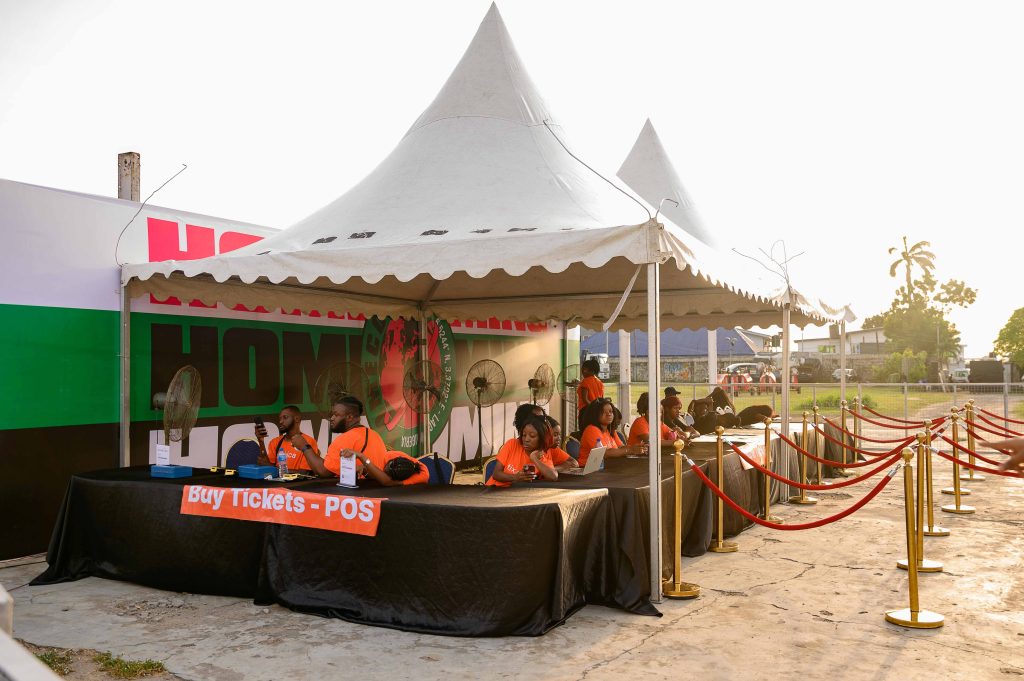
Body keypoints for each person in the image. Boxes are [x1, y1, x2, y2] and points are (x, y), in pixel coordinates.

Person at [314, 396, 389, 479]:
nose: (332, 418)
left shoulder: (345, 439)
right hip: (378, 486)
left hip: (359, 487)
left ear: (349, 417)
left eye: (336, 415)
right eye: (332, 415)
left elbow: (324, 471)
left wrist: (305, 446)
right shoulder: (375, 435)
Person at [488, 416, 563, 487]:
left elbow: (553, 477)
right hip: (493, 489)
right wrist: (515, 477)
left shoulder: (542, 456)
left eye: (532, 436)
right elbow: (496, 474)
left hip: (515, 493)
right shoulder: (512, 444)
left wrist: (534, 458)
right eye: (524, 435)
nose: (526, 439)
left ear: (542, 438)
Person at [578, 398, 642, 466]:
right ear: (595, 414)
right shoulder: (591, 429)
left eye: (611, 411)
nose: (609, 414)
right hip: (588, 469)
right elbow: (605, 453)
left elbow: (621, 447)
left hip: (607, 467)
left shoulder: (610, 430)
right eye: (603, 412)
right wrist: (630, 450)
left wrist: (637, 448)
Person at [255, 406, 321, 472]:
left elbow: (304, 473)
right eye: (280, 418)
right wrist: (261, 441)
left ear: (297, 419)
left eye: (285, 417)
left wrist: (273, 468)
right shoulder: (275, 442)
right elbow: (268, 468)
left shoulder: (307, 441)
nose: (281, 421)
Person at [343, 449, 430, 486]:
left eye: (387, 473)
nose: (385, 469)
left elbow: (386, 481)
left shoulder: (422, 475)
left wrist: (362, 457)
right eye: (387, 465)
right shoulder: (390, 456)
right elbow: (377, 475)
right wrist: (366, 469)